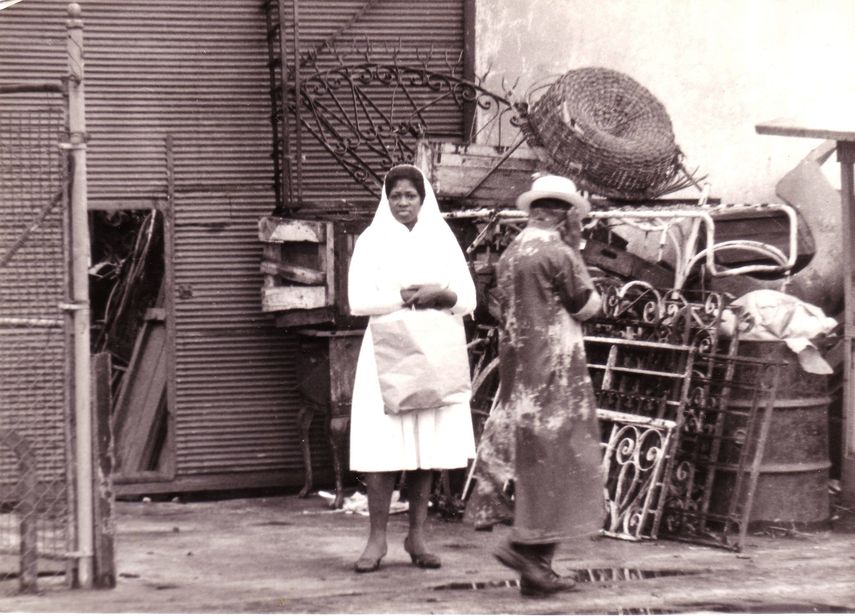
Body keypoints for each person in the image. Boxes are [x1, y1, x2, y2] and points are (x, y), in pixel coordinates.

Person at [464, 174, 604, 597]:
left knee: (537, 464)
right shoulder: (559, 253)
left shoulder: (511, 253)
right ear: (564, 214)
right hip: (556, 372)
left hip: (518, 374)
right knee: (561, 461)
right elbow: (586, 305)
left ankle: (537, 571)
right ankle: (525, 550)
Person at [347, 163, 477, 573]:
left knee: (426, 449)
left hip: (433, 351)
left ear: (423, 199)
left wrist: (442, 294)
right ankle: (376, 540)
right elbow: (357, 301)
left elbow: (469, 298)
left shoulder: (442, 237)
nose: (403, 203)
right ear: (386, 200)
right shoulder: (371, 240)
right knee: (384, 449)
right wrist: (400, 296)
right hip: (386, 353)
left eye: (410, 196)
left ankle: (417, 536)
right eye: (396, 196)